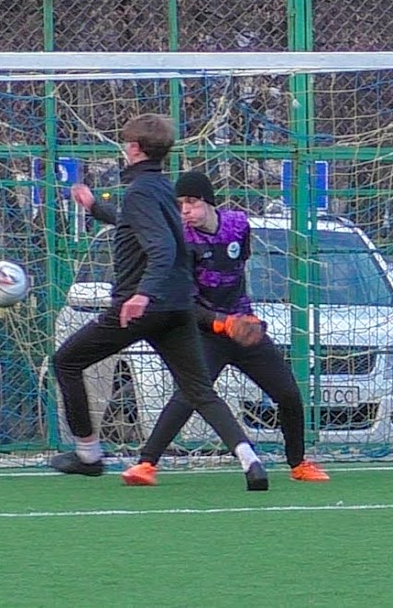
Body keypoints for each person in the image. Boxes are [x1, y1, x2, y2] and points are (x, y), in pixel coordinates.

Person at [52, 113, 269, 492]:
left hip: (143, 308)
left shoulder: (140, 191)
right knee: (199, 389)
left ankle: (88, 455)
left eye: (125, 143)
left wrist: (142, 293)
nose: (124, 148)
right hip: (179, 307)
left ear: (134, 149)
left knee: (66, 360)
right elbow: (137, 228)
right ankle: (250, 460)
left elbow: (163, 246)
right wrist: (94, 208)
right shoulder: (161, 188)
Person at [114, 170, 330, 485]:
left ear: (210, 202)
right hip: (205, 331)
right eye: (179, 205)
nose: (184, 210)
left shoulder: (238, 225)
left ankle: (298, 463)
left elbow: (238, 269)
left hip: (242, 326)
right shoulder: (181, 240)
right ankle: (146, 464)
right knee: (189, 395)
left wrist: (244, 319)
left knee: (288, 394)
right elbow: (187, 301)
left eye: (191, 202)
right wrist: (221, 322)